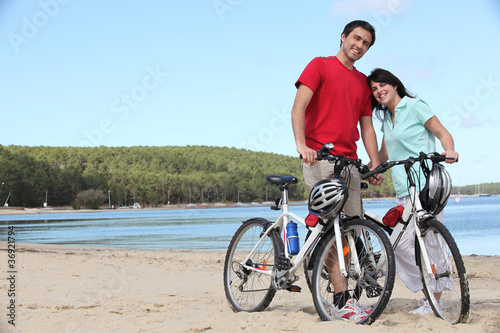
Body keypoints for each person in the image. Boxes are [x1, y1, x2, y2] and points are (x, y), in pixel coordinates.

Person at [291, 20, 382, 321]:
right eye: (356, 38)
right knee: (334, 228)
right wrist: (302, 145)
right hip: (320, 157)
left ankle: (342, 294)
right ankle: (342, 299)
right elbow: (298, 107)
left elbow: (366, 126)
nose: (360, 45)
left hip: (351, 163)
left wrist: (374, 162)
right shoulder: (319, 65)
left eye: (366, 43)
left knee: (352, 228)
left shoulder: (362, 83)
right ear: (343, 37)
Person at [367, 68, 459, 315]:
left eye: (382, 85)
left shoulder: (415, 106)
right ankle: (428, 291)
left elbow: (442, 133)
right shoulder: (387, 118)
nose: (378, 92)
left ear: (394, 85)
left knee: (430, 242)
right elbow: (385, 154)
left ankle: (434, 299)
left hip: (427, 185)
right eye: (374, 89)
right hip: (404, 188)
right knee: (398, 244)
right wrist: (369, 169)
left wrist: (449, 150)